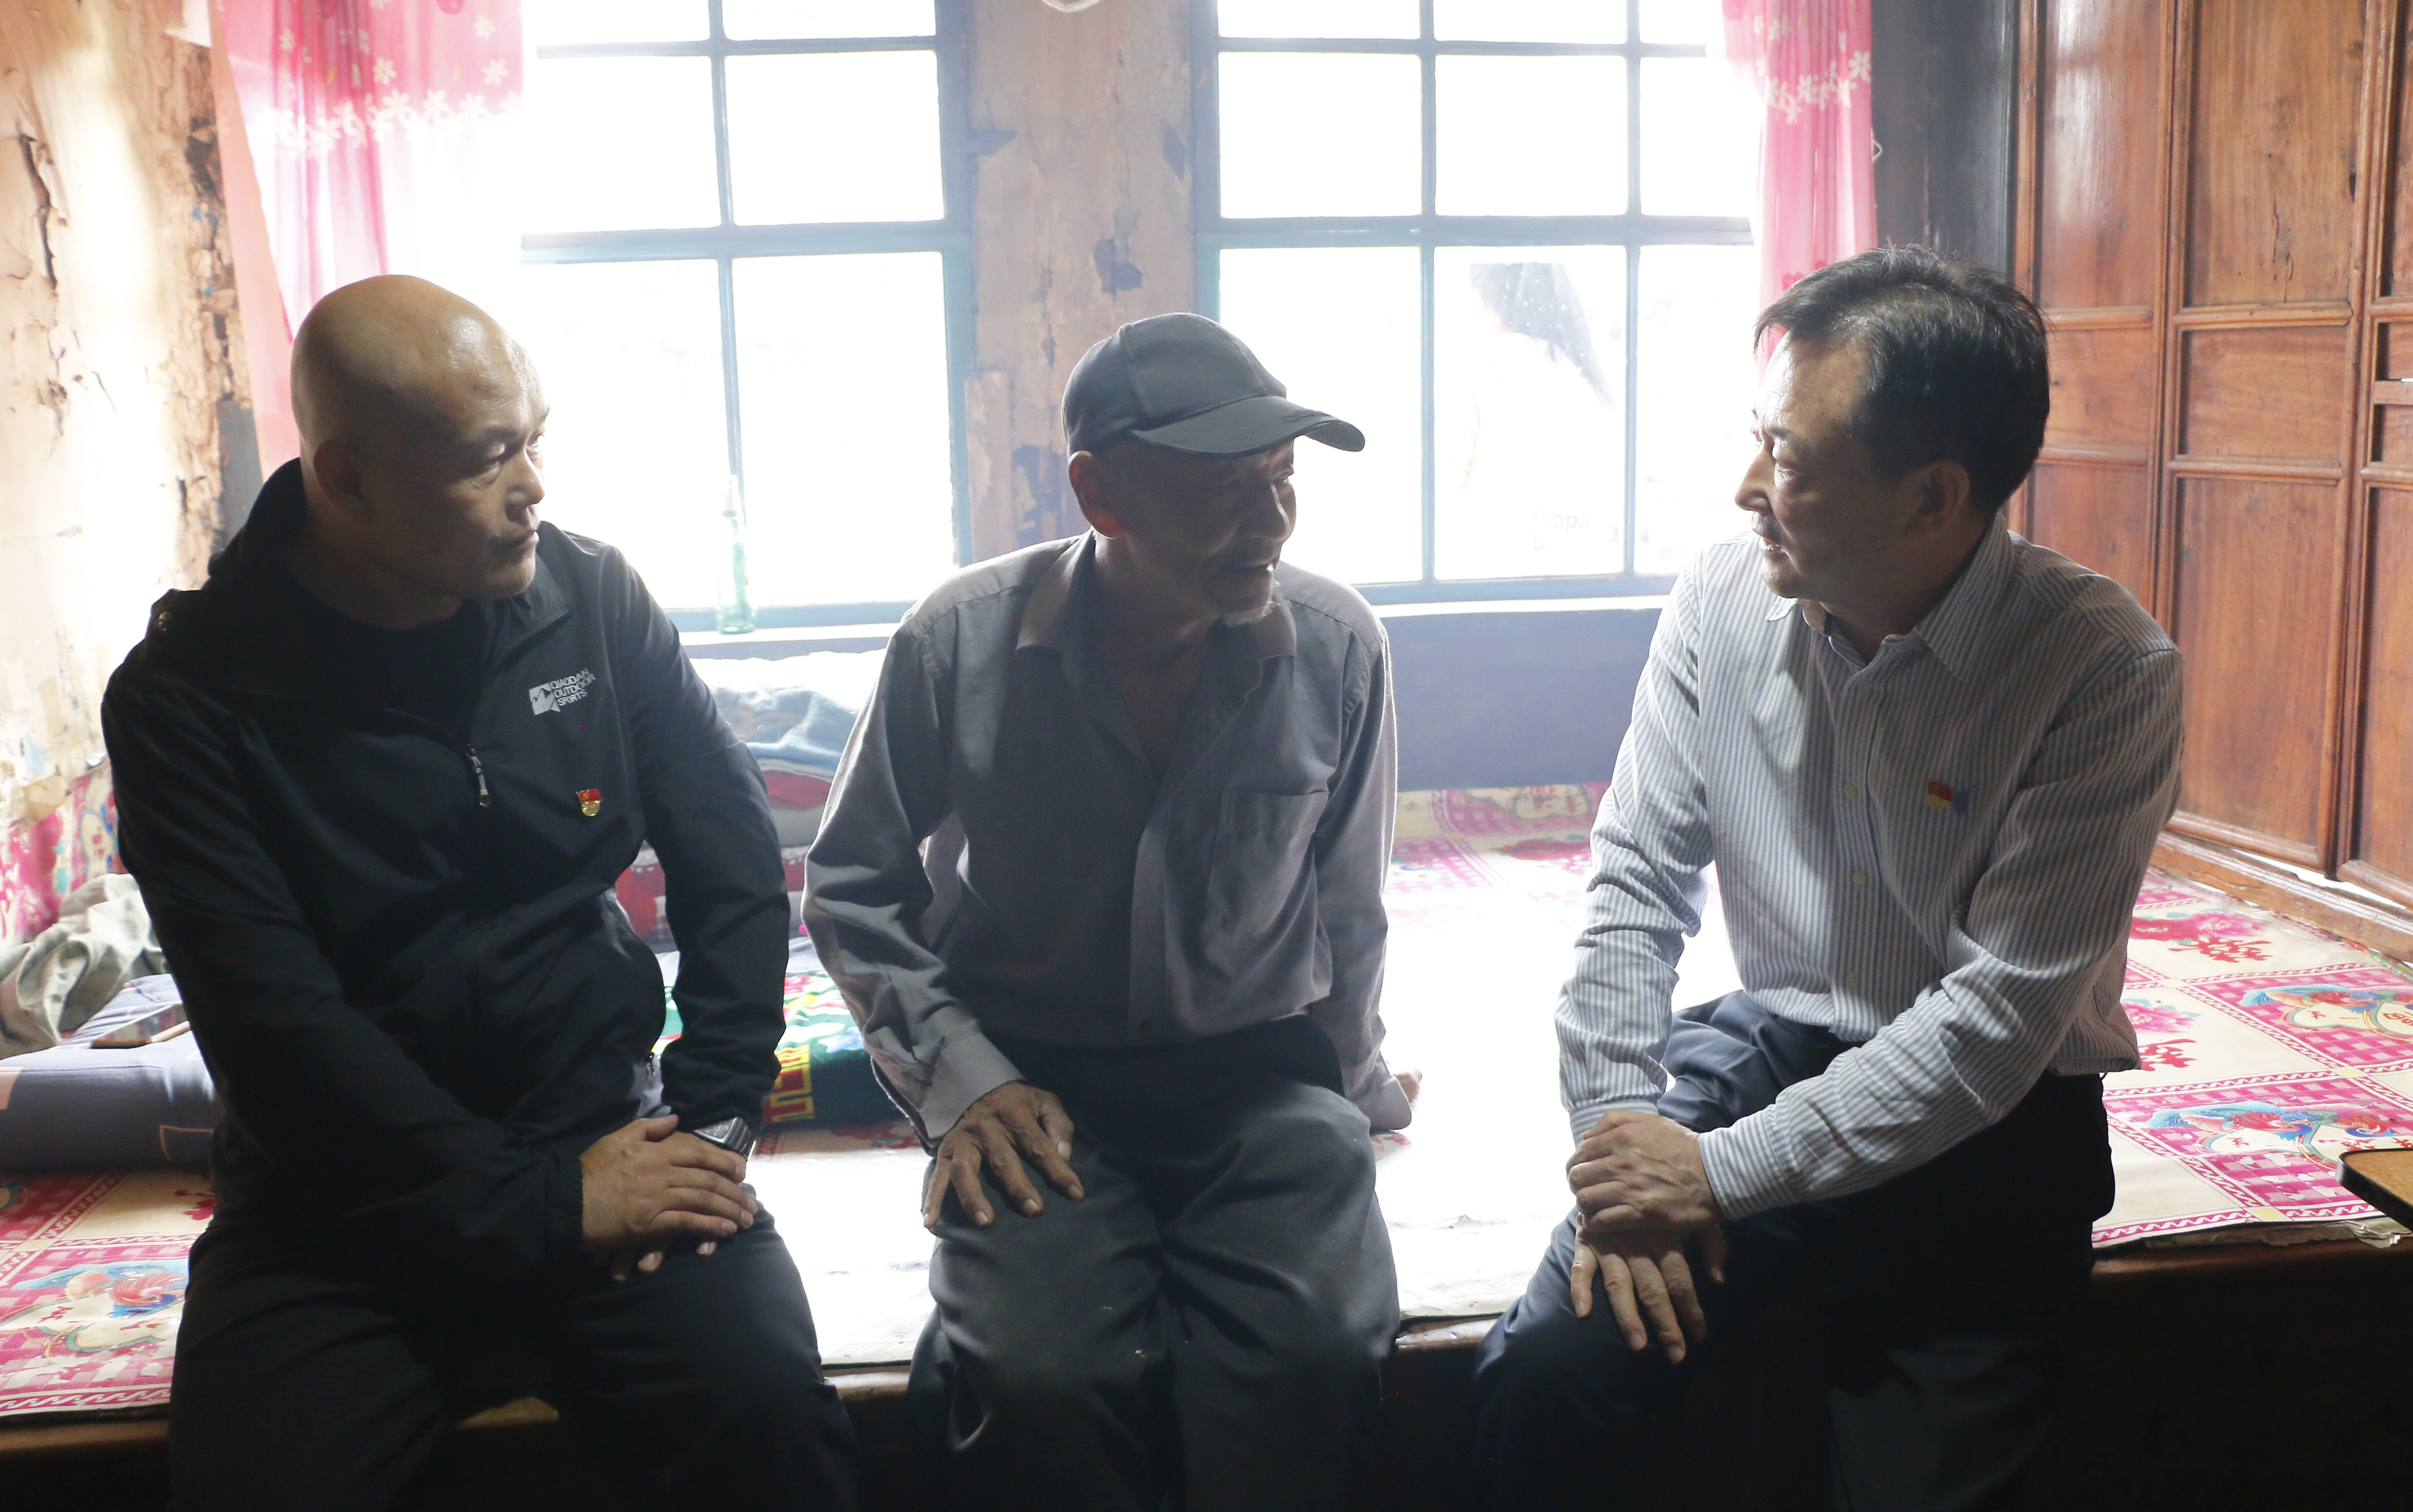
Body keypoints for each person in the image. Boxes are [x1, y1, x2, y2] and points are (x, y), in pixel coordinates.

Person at [102, 276, 857, 1512]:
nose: (535, 487)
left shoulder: (592, 600)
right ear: (348, 482)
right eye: (489, 457)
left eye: (537, 439)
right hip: (338, 1206)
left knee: (773, 1432)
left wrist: (715, 1121)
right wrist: (548, 1206)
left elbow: (734, 867)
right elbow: (274, 1021)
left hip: (611, 1137)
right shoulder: (191, 697)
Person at [1469, 247, 2184, 1510]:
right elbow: (1634, 881)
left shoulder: (2099, 669)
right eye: (1758, 439)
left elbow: (1993, 1026)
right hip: (1772, 1052)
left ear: (1932, 499)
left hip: (1992, 1132)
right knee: (1548, 1376)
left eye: (1789, 459)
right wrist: (1620, 1144)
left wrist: (1711, 1176)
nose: (1747, 487)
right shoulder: (1720, 598)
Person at [806, 312, 1415, 1512]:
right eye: (1225, 488)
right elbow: (853, 882)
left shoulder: (1337, 647)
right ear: (1100, 493)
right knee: (1036, 1379)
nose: (1272, 522)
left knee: (1317, 1357)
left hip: (1257, 1079)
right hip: (1031, 1088)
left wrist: (1364, 1089)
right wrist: (960, 1081)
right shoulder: (958, 643)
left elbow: (1350, 903)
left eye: (1283, 479)